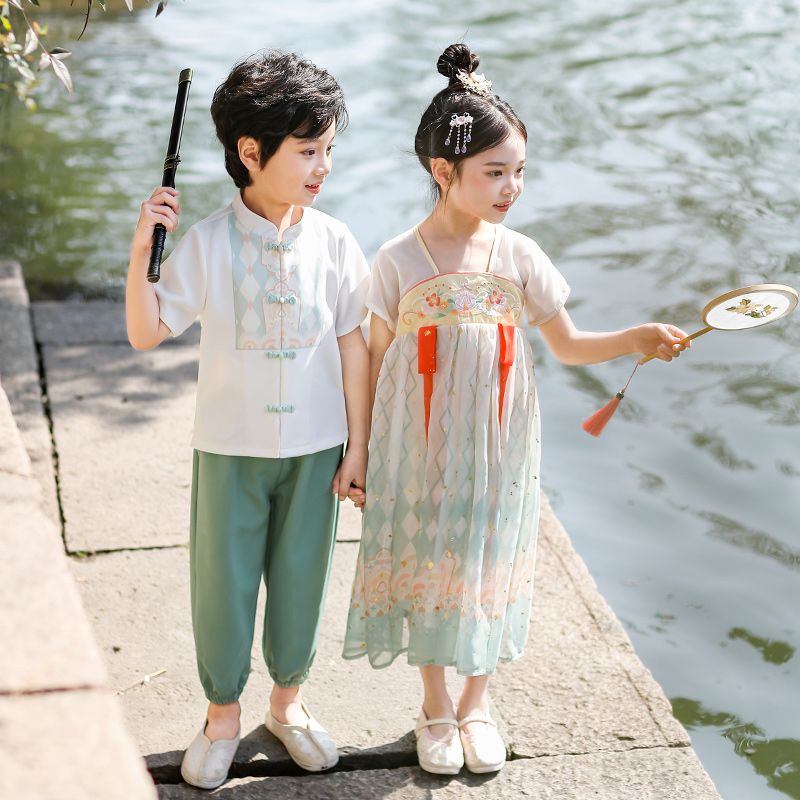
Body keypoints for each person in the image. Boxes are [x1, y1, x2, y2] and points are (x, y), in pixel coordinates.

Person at [342, 43, 689, 776]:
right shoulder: (398, 261)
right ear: (444, 172)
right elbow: (370, 359)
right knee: (431, 558)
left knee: (488, 556)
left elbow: (566, 345)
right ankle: (435, 704)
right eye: (494, 172)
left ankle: (478, 703)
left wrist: (637, 338)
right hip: (419, 443)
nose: (511, 187)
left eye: (519, 171)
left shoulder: (520, 256)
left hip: (500, 444)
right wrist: (360, 452)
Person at [125, 50, 370, 790]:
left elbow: (356, 342)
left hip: (318, 449)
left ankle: (289, 705)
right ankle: (222, 714)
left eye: (328, 149)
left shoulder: (335, 243)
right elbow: (146, 331)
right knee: (222, 583)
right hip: (229, 449)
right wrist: (143, 248)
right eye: (307, 151)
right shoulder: (204, 243)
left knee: (304, 579)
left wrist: (360, 445)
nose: (322, 165)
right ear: (250, 152)